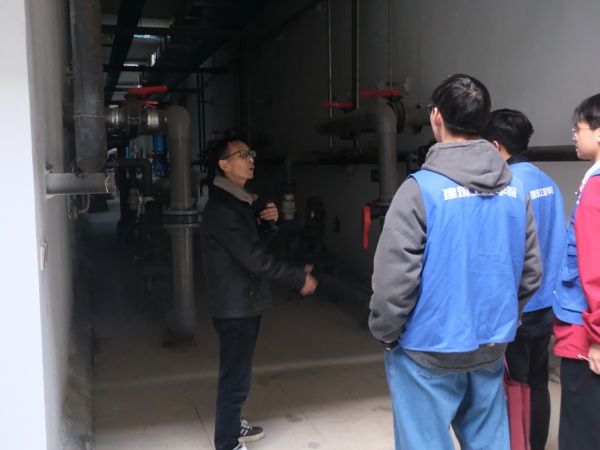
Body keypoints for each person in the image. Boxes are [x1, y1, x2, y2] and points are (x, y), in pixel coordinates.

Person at [368, 74, 542, 450]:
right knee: (489, 440)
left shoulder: (419, 190)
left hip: (427, 349)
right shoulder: (516, 189)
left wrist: (386, 331)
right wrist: (500, 320)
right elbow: (530, 273)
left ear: (436, 117)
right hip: (491, 346)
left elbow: (393, 282)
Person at [201, 138, 317, 450]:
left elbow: (248, 248)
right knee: (234, 376)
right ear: (224, 165)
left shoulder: (237, 203)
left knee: (238, 373)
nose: (250, 159)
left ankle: (231, 424)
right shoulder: (224, 209)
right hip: (235, 305)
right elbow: (255, 260)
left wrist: (265, 226)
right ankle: (227, 442)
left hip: (242, 301)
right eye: (242, 154)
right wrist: (296, 277)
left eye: (250, 153)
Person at [481, 109, 566, 450]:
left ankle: (518, 444)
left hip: (518, 306)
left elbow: (504, 253)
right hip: (547, 303)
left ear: (496, 145)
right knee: (538, 381)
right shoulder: (548, 183)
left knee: (513, 385)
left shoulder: (508, 187)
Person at [553, 94, 600, 450]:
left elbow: (594, 267)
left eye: (578, 128)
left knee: (581, 431)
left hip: (587, 334)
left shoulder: (596, 188)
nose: (573, 136)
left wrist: (597, 338)